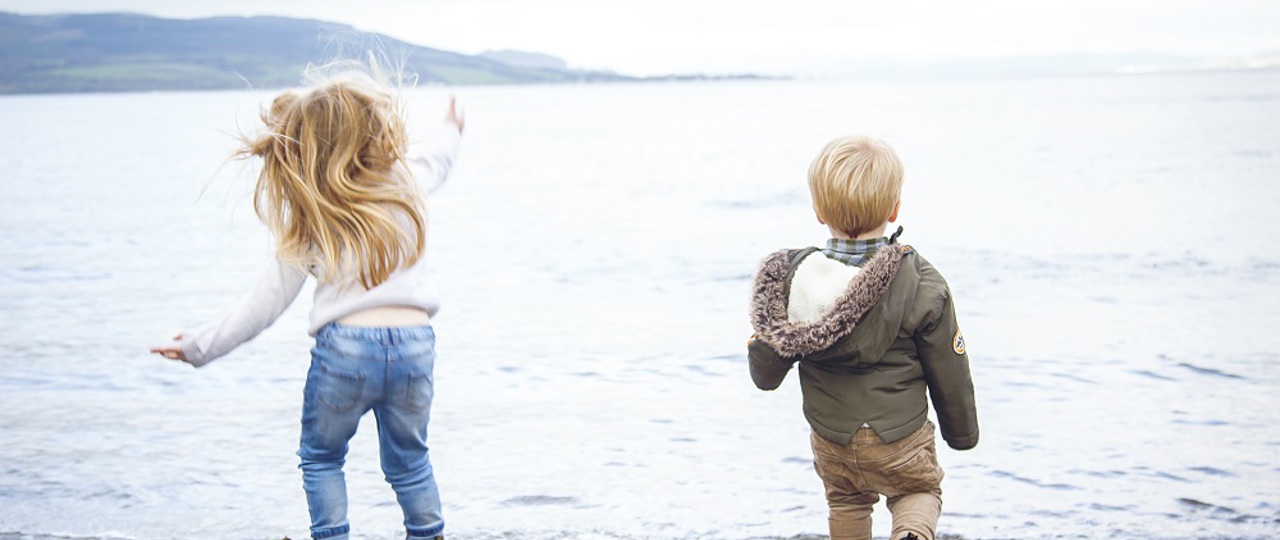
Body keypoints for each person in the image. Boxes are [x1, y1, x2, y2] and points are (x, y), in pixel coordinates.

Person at [150, 65, 464, 540]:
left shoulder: (314, 211)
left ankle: (332, 535)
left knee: (321, 457)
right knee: (410, 460)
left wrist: (200, 347)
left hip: (347, 348)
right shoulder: (407, 180)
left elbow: (264, 305)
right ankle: (428, 534)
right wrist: (451, 129)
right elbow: (440, 160)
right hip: (416, 343)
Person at [746, 136, 978, 540]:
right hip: (899, 436)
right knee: (918, 490)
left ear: (819, 211)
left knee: (847, 502)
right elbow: (949, 367)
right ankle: (911, 534)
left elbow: (767, 371)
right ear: (894, 209)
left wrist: (757, 349)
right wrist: (962, 434)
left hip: (832, 437)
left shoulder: (795, 278)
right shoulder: (921, 281)